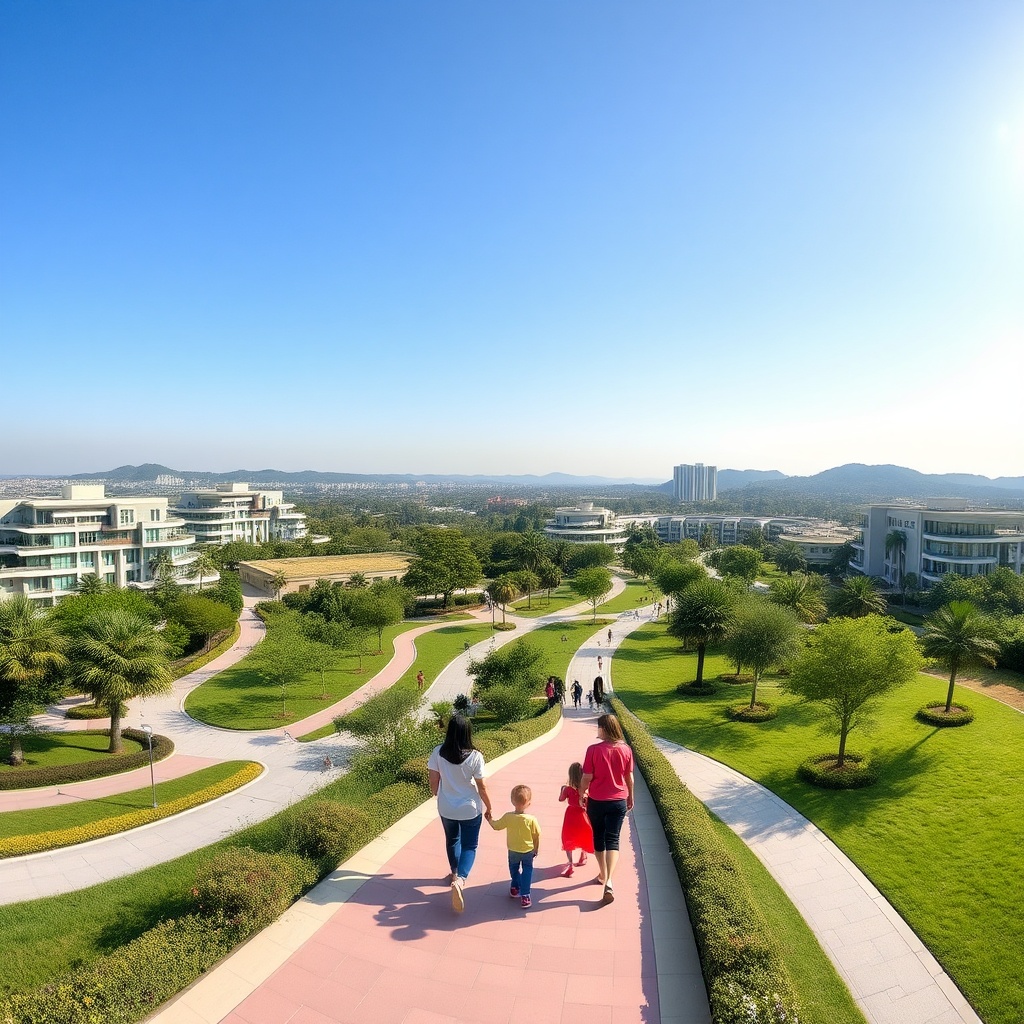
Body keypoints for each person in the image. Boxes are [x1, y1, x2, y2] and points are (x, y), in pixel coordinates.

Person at [427, 714, 492, 913]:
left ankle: (454, 873)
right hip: (470, 808)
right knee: (470, 845)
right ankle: (461, 880)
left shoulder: (437, 752)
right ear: (467, 732)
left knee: (452, 840)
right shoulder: (475, 756)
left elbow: (433, 784)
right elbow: (482, 787)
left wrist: (441, 795)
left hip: (446, 807)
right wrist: (490, 807)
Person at [579, 713, 634, 904]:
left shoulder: (593, 750)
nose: (597, 730)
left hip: (597, 800)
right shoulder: (626, 750)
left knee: (598, 837)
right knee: (613, 839)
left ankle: (603, 874)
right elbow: (629, 778)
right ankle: (608, 879)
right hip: (618, 800)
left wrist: (581, 794)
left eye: (599, 727)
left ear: (604, 728)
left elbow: (586, 777)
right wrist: (630, 797)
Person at [487, 784, 541, 908]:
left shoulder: (508, 817)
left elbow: (496, 826)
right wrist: (536, 848)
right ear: (529, 803)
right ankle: (525, 895)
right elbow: (536, 835)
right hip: (528, 850)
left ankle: (515, 886)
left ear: (512, 801)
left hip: (513, 850)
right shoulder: (531, 819)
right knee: (527, 870)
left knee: (514, 869)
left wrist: (489, 819)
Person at [559, 762, 594, 876]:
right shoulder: (586, 789)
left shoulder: (568, 789)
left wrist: (562, 789)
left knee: (568, 837)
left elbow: (561, 799)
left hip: (571, 814)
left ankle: (570, 863)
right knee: (583, 835)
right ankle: (583, 855)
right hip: (582, 814)